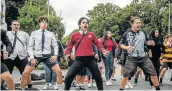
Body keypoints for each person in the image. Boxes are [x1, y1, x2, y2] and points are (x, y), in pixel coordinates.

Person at [19, 16, 62, 90]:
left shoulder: (51, 34)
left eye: (46, 22)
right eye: (42, 22)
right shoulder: (34, 33)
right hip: (36, 57)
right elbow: (30, 46)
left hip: (48, 57)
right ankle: (21, 88)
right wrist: (32, 58)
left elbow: (55, 46)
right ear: (39, 23)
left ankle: (58, 86)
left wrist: (55, 55)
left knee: (59, 72)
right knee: (25, 73)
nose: (44, 24)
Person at [64, 17, 107, 90]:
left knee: (98, 77)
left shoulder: (91, 34)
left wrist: (103, 50)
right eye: (83, 22)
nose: (85, 24)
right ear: (79, 25)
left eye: (87, 23)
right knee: (68, 77)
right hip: (79, 60)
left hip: (90, 59)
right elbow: (70, 46)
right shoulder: (74, 35)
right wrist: (67, 53)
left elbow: (98, 43)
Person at [119, 16, 160, 90]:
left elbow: (146, 42)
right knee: (125, 75)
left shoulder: (143, 33)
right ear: (132, 24)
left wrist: (150, 43)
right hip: (131, 58)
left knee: (153, 72)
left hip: (143, 57)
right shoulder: (126, 34)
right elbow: (121, 44)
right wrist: (126, 47)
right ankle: (121, 89)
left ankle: (157, 88)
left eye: (140, 23)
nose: (139, 24)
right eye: (137, 23)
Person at [4, 20, 33, 89]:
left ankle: (30, 87)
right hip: (10, 57)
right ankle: (3, 86)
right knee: (6, 73)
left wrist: (29, 54)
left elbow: (29, 45)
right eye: (14, 24)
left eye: (17, 25)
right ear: (11, 26)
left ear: (19, 26)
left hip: (22, 56)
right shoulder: (6, 34)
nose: (16, 26)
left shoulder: (24, 34)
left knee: (27, 72)